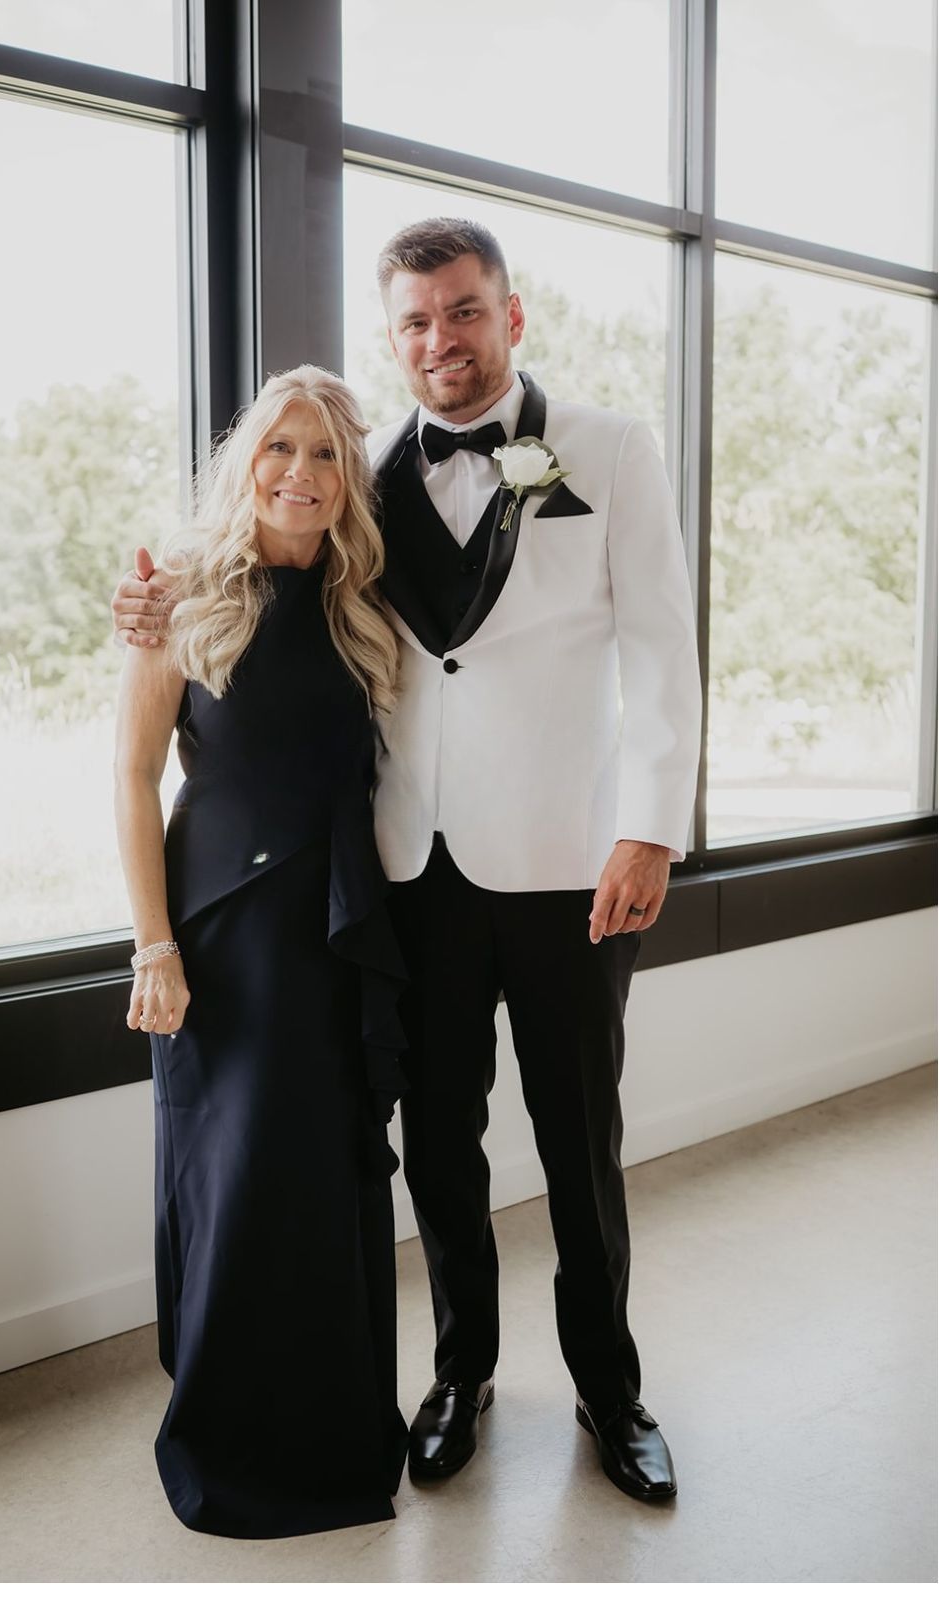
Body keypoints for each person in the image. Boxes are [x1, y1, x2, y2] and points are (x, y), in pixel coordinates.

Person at [113, 218, 703, 1506]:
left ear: (510, 314)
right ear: (394, 339)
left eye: (463, 311)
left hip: (569, 867)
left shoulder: (606, 447)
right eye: (415, 323)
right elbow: (250, 575)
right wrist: (146, 606)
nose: (441, 340)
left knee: (578, 1142)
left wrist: (649, 825)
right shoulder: (362, 467)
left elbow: (661, 644)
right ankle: (459, 1375)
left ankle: (612, 1391)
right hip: (407, 873)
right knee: (438, 1143)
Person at [113, 365, 410, 1539]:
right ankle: (231, 1438)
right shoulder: (182, 593)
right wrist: (151, 946)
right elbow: (132, 778)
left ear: (350, 480)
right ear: (247, 464)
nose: (300, 472)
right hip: (218, 936)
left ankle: (337, 1429)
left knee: (325, 1181)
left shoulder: (364, 605)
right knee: (232, 1182)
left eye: (327, 454)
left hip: (335, 929)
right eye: (279, 449)